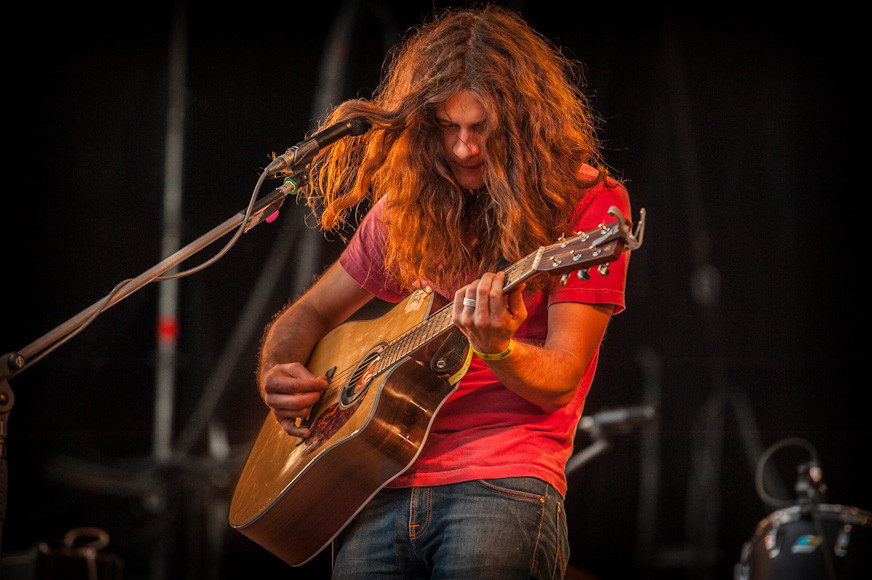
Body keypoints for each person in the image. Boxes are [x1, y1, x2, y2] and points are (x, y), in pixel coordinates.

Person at [256, 5, 633, 579]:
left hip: (502, 484)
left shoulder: (587, 205)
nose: (462, 149)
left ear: (526, 122)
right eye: (446, 128)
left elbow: (560, 379)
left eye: (482, 128)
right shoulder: (409, 208)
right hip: (372, 483)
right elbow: (309, 311)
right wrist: (280, 369)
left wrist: (499, 347)